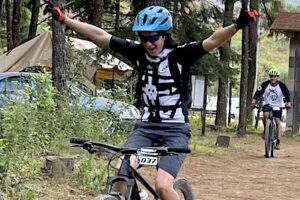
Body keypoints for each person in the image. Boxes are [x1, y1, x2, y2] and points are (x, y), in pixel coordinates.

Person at [44, 2, 258, 199]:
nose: (147, 43)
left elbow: (212, 40)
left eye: (152, 38)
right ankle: (140, 196)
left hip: (175, 129)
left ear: (165, 35)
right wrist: (64, 20)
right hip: (145, 128)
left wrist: (237, 25)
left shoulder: (181, 55)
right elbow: (100, 35)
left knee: (163, 186)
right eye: (143, 38)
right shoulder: (138, 52)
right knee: (121, 173)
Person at [251, 68, 291, 150]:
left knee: (277, 121)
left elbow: (287, 95)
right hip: (268, 105)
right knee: (265, 115)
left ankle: (278, 141)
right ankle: (266, 130)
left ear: (277, 77)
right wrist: (253, 102)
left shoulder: (281, 85)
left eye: (275, 76)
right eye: (271, 76)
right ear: (270, 77)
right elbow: (257, 93)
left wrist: (288, 103)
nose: (273, 78)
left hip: (278, 105)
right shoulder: (265, 84)